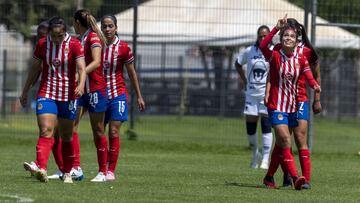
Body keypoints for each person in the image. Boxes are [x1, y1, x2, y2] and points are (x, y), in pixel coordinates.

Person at [20, 16, 87, 183]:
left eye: (60, 35)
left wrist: (81, 85)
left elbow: (82, 68)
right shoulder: (42, 44)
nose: (57, 39)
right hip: (47, 93)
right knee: (46, 130)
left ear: (65, 32)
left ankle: (66, 172)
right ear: (49, 33)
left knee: (66, 136)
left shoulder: (74, 44)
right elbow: (35, 69)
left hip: (68, 95)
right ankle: (41, 169)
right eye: (54, 35)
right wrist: (25, 91)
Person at [259, 15, 321, 190]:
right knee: (285, 139)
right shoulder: (277, 52)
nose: (289, 37)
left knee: (289, 140)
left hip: (296, 102)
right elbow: (271, 69)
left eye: (292, 35)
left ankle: (280, 177)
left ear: (297, 37)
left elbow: (312, 75)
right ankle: (295, 177)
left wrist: (316, 91)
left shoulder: (304, 55)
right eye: (285, 33)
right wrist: (268, 91)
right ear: (281, 35)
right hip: (277, 104)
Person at [100, 14, 145, 181]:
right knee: (99, 132)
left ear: (116, 28)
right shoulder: (97, 46)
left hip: (118, 95)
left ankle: (110, 170)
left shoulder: (124, 48)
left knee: (113, 131)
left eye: (110, 26)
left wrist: (139, 96)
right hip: (100, 95)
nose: (107, 29)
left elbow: (132, 73)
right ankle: (101, 168)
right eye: (104, 26)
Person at [72, 9, 109, 182]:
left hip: (95, 89)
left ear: (77, 23)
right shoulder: (80, 39)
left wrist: (81, 74)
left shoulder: (93, 37)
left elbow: (97, 62)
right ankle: (76, 168)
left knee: (98, 131)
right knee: (71, 126)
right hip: (81, 90)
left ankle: (103, 171)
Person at [235, 25, 273, 169]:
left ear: (270, 36)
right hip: (251, 94)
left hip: (266, 94)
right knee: (250, 128)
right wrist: (244, 80)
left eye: (265, 36)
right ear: (257, 36)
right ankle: (255, 153)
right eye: (261, 36)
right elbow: (238, 64)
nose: (263, 38)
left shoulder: (274, 50)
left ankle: (265, 158)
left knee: (266, 125)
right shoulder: (250, 51)